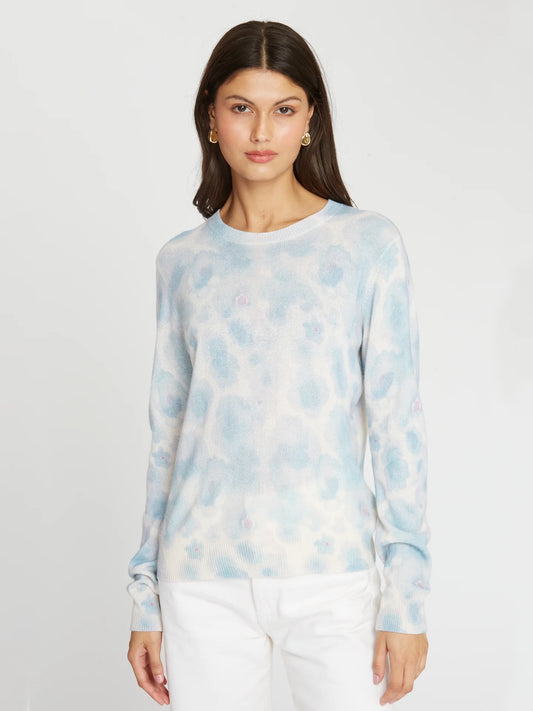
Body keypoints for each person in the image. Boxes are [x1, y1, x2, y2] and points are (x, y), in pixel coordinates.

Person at [126, 19, 430, 711]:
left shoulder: (366, 247)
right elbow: (167, 438)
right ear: (211, 117)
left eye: (283, 108)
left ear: (309, 120)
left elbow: (398, 429)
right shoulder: (182, 262)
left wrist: (406, 600)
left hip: (332, 575)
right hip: (200, 578)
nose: (261, 130)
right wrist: (144, 595)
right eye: (241, 107)